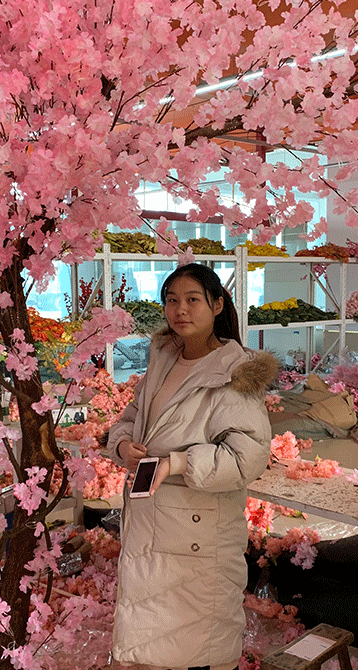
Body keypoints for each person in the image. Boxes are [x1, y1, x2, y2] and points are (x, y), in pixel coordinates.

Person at [108, 263, 276, 670]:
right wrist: (124, 444)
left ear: (218, 305)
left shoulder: (234, 374)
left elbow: (248, 456)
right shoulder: (164, 358)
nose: (180, 310)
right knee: (144, 641)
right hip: (151, 519)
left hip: (198, 528)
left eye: (193, 300)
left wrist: (178, 463)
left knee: (199, 645)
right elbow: (133, 415)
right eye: (171, 300)